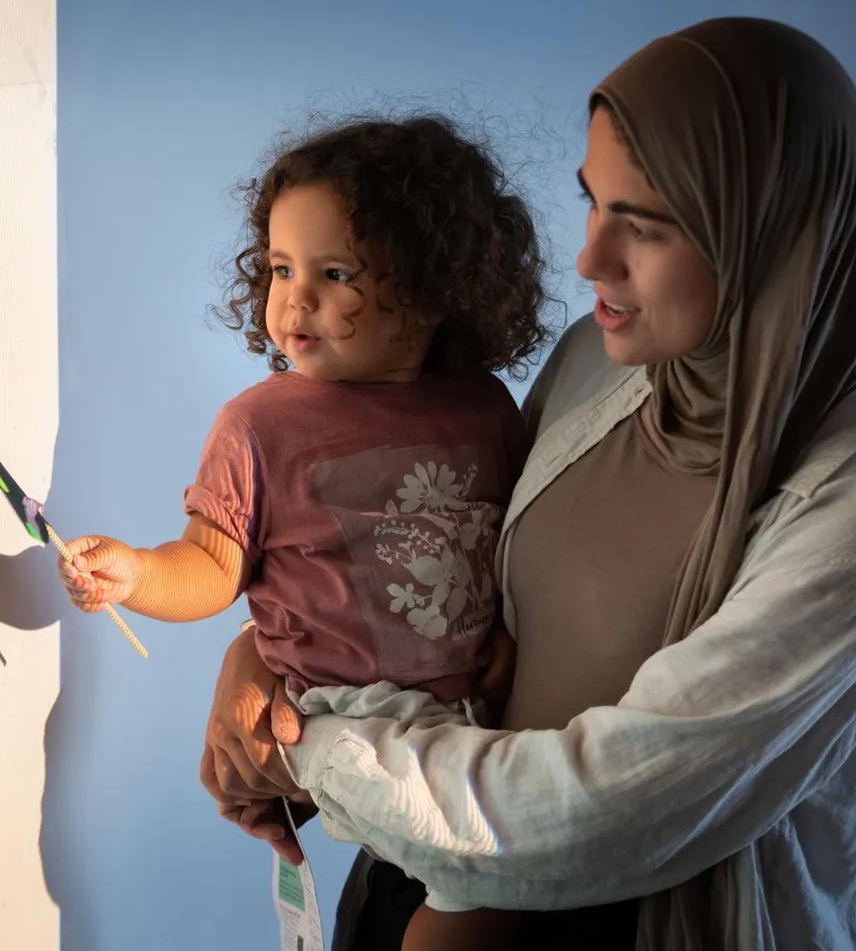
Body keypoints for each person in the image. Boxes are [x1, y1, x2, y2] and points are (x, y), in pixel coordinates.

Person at [199, 17, 856, 951]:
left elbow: (607, 814)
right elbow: (438, 547)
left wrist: (315, 749)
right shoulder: (606, 354)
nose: (591, 258)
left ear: (770, 232)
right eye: (594, 203)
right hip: (417, 875)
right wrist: (265, 654)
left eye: (648, 224)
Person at [54, 114, 552, 945]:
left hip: (464, 716)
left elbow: (515, 539)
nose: (296, 297)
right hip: (339, 716)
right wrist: (137, 573)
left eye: (334, 271)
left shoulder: (484, 406)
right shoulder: (258, 427)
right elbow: (211, 565)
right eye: (282, 268)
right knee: (473, 879)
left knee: (480, 866)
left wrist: (509, 633)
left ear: (430, 289)